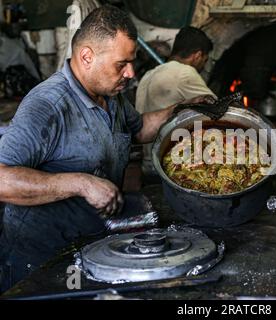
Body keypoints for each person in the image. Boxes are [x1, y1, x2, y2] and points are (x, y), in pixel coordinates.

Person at [0, 6, 177, 293]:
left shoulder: (112, 94)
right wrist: (80, 183)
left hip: (91, 246)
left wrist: (180, 110)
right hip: (40, 261)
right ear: (86, 57)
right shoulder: (48, 105)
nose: (131, 73)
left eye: (131, 62)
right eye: (122, 64)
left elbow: (140, 128)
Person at [135, 26, 217, 177]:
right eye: (204, 60)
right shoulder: (184, 73)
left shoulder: (149, 74)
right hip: (170, 168)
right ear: (198, 56)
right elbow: (220, 111)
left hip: (147, 166)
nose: (204, 66)